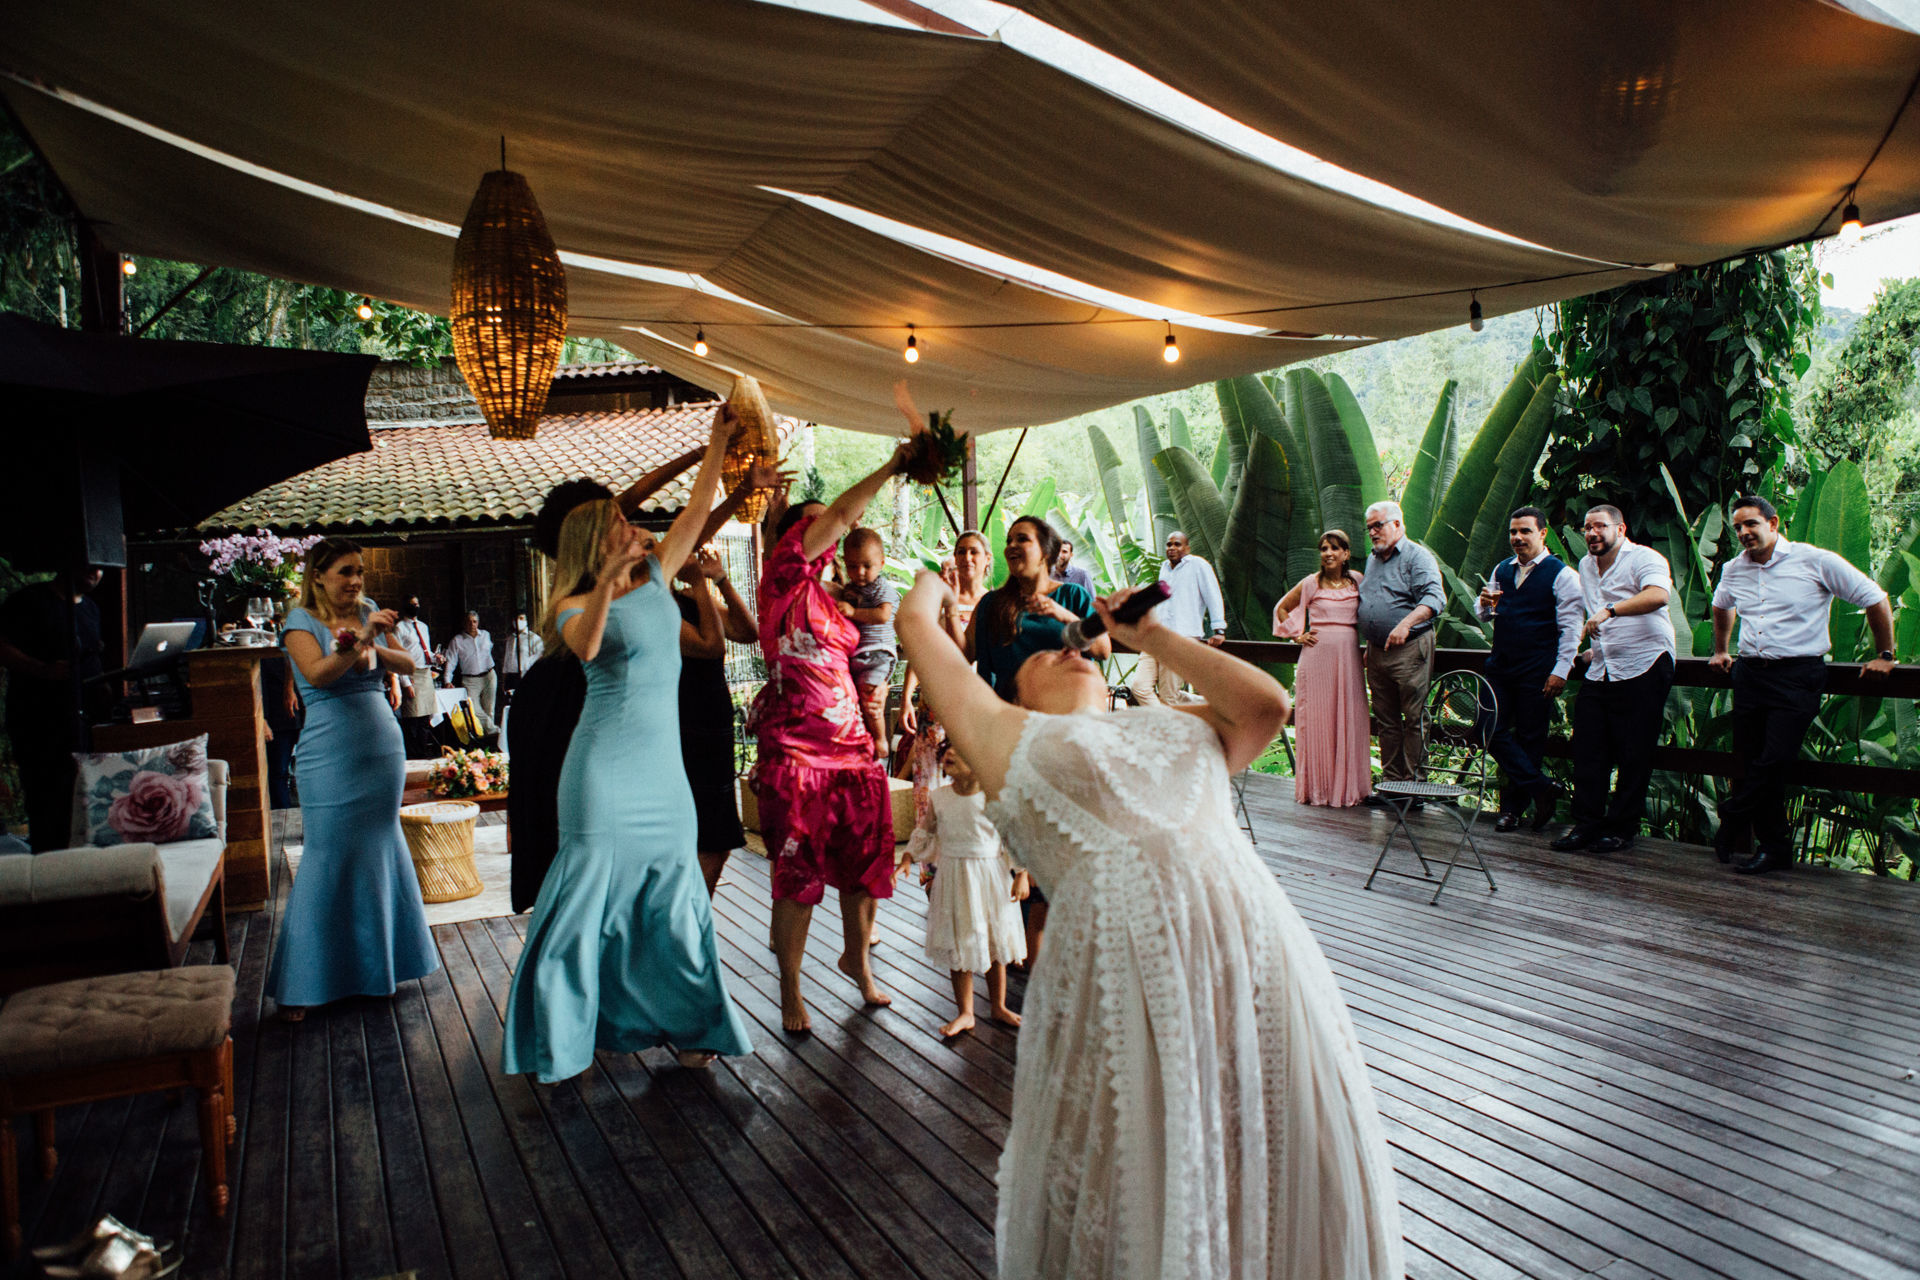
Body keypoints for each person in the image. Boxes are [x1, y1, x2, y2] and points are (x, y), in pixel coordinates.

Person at [899, 571, 1403, 1280]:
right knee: (1151, 1160)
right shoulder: (1009, 737)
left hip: (1258, 965)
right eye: (1044, 657)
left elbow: (1268, 704)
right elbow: (916, 629)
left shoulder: (1173, 721)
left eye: (1078, 651)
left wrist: (1152, 636)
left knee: (1276, 1143)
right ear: (1012, 695)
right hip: (1127, 982)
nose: (1069, 654)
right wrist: (935, 586)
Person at [502, 405, 758, 1081]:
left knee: (677, 910)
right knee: (586, 909)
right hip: (602, 781)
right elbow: (585, 649)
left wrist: (717, 443)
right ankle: (560, 1038)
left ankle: (695, 1024)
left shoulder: (658, 576)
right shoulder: (573, 604)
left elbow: (699, 509)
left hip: (664, 782)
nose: (635, 526)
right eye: (620, 522)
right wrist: (611, 579)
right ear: (597, 540)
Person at [750, 444, 920, 1035]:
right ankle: (792, 990)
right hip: (797, 753)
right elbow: (844, 517)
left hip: (851, 749)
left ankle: (859, 962)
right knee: (797, 879)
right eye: (815, 522)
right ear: (797, 536)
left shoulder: (833, 595)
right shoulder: (782, 581)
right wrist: (892, 465)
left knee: (865, 864)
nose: (827, 530)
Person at [267, 538, 438, 1017]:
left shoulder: (369, 609)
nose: (356, 580)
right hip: (329, 749)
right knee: (327, 854)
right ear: (318, 575)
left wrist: (379, 644)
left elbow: (409, 664)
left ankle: (377, 969)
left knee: (379, 847)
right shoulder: (299, 621)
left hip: (380, 744)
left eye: (359, 571)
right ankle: (304, 983)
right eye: (345, 571)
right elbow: (319, 675)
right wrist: (362, 640)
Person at [1710, 495, 1896, 874]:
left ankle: (1731, 816)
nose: (1744, 532)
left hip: (1797, 675)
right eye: (1738, 527)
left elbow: (1875, 598)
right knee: (1753, 761)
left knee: (1775, 757)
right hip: (1749, 673)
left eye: (1752, 524)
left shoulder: (1815, 561)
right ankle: (1774, 848)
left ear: (1774, 523)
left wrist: (1886, 655)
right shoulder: (1733, 569)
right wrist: (1719, 649)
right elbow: (1721, 605)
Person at [967, 516, 1106, 967]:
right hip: (1013, 724)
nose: (1011, 546)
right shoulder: (993, 604)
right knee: (1017, 831)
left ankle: (1052, 938)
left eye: (1021, 539)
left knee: (1064, 829)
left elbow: (1102, 649)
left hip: (1068, 731)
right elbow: (967, 658)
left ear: (1046, 551)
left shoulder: (1073, 595)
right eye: (1007, 540)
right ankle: (1011, 938)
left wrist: (1063, 617)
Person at [1551, 504, 1677, 855]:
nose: (1591, 533)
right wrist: (1593, 649)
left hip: (1646, 663)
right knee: (1589, 747)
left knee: (1634, 752)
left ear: (1620, 530)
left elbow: (1658, 595)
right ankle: (1586, 825)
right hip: (1604, 666)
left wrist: (1610, 611)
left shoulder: (1644, 558)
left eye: (1600, 527)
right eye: (1587, 527)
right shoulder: (1586, 566)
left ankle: (1621, 829)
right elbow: (1588, 614)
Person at [907, 741, 1026, 1038]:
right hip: (954, 876)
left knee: (993, 939)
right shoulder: (940, 797)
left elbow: (1013, 838)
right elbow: (926, 831)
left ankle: (998, 1005)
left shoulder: (994, 798)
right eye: (948, 753)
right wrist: (908, 857)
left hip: (990, 876)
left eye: (960, 754)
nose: (950, 756)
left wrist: (1021, 873)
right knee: (958, 940)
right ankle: (966, 1012)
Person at [1476, 507, 1584, 832]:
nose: (1517, 538)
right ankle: (1542, 787)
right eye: (1513, 532)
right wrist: (1484, 603)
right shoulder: (1502, 569)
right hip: (1500, 665)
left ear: (1542, 533)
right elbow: (1484, 616)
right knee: (1486, 727)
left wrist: (1562, 669)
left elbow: (1571, 628)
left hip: (1538, 668)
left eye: (1524, 531)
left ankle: (1512, 810)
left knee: (1531, 738)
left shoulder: (1562, 575)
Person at [0, 564, 109, 850]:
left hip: (82, 723)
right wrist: (42, 670)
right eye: (89, 565)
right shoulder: (29, 602)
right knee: (49, 808)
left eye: (101, 567)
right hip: (39, 724)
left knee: (82, 806)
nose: (96, 573)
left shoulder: (90, 609)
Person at [675, 544, 758, 895]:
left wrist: (719, 580)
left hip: (713, 718)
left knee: (716, 839)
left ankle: (695, 921)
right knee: (702, 835)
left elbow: (746, 631)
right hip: (683, 720)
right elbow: (712, 646)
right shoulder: (654, 607)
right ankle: (687, 924)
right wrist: (698, 585)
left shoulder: (692, 602)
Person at [1271, 530, 1372, 807]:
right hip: (1316, 659)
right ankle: (1318, 789)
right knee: (1317, 721)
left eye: (1335, 548)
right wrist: (1296, 634)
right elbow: (1282, 608)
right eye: (1324, 548)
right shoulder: (1311, 583)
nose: (1328, 553)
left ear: (1346, 554)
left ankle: (1349, 788)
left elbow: (1374, 610)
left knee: (1349, 717)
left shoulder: (1358, 581)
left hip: (1349, 657)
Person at [1356, 500, 1446, 799]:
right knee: (1386, 720)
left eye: (1377, 525)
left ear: (1397, 524)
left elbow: (1435, 599)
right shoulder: (1373, 559)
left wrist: (1405, 624)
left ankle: (1415, 786)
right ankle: (1392, 785)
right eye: (1369, 527)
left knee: (1414, 717)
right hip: (1378, 652)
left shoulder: (1417, 557)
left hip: (1410, 648)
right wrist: (1371, 641)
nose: (1372, 532)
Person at [1128, 530, 1226, 705]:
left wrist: (1219, 629)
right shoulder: (1165, 568)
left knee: (1168, 695)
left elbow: (1213, 596)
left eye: (1177, 544)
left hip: (1181, 639)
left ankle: (1189, 715)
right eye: (1169, 544)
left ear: (1187, 548)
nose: (1171, 548)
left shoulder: (1198, 565)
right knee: (1139, 687)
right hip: (1155, 637)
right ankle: (1202, 705)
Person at [834, 527, 899, 762]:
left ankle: (881, 739)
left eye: (867, 566)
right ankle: (868, 740)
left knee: (871, 699)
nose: (859, 572)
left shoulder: (883, 588)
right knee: (860, 701)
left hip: (878, 652)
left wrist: (852, 611)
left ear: (881, 563)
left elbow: (882, 615)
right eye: (852, 566)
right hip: (859, 655)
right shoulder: (850, 589)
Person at [393, 597, 441, 759]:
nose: (415, 607)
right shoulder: (400, 628)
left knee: (425, 718)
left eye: (417, 604)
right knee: (413, 717)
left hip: (426, 674)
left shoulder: (423, 627)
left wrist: (436, 658)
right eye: (412, 604)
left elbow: (424, 650)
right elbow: (398, 657)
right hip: (411, 674)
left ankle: (424, 752)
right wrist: (405, 683)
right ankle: (413, 755)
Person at [444, 611, 498, 732]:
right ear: (464, 624)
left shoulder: (485, 635)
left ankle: (488, 739)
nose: (472, 624)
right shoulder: (457, 640)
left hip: (489, 675)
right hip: (470, 680)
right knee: (474, 709)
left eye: (474, 621)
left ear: (478, 623)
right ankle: (493, 729)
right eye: (469, 622)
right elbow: (451, 661)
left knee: (489, 709)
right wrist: (447, 680)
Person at [500, 611, 543, 706]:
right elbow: (507, 660)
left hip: (525, 674)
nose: (518, 621)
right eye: (516, 619)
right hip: (511, 677)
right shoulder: (510, 639)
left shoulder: (533, 638)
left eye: (521, 619)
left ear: (526, 621)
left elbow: (540, 658)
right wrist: (504, 680)